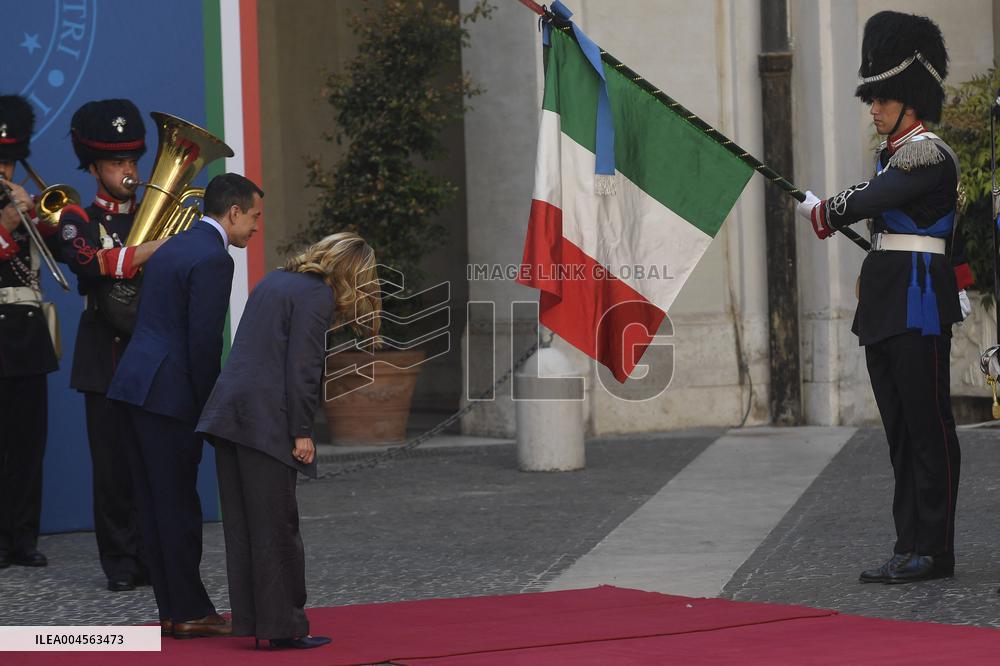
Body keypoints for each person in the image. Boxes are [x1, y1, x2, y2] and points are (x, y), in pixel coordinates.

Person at [796, 11, 963, 584]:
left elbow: (875, 197)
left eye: (883, 97)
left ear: (911, 101)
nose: (874, 107)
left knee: (927, 428)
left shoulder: (927, 153)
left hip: (917, 304)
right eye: (873, 98)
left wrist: (825, 209)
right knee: (899, 431)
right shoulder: (893, 156)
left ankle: (933, 547)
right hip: (890, 303)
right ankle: (909, 542)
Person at [196, 232, 380, 650]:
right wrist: (302, 431)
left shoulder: (275, 280)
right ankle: (283, 628)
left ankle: (256, 623)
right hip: (267, 421)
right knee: (278, 526)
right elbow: (303, 367)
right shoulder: (316, 296)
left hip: (230, 414)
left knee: (244, 527)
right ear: (351, 273)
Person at [107, 172, 262, 638]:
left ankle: (173, 610)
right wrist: (210, 410)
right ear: (232, 213)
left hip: (132, 387)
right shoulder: (214, 259)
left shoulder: (171, 246)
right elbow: (203, 342)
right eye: (253, 217)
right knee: (178, 505)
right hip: (170, 396)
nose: (256, 227)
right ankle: (191, 612)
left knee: (153, 504)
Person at [55, 99, 165, 592]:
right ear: (94, 166)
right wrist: (154, 250)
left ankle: (151, 557)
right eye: (118, 162)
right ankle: (120, 564)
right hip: (104, 359)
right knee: (112, 469)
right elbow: (90, 264)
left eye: (132, 160)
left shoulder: (154, 215)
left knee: (152, 463)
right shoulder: (76, 216)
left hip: (151, 356)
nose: (129, 170)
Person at [0, 95, 60, 569]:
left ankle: (24, 538)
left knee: (28, 445)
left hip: (27, 336)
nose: (3, 170)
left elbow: (60, 254)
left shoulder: (25, 199)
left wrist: (39, 215)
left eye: (8, 162)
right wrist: (7, 222)